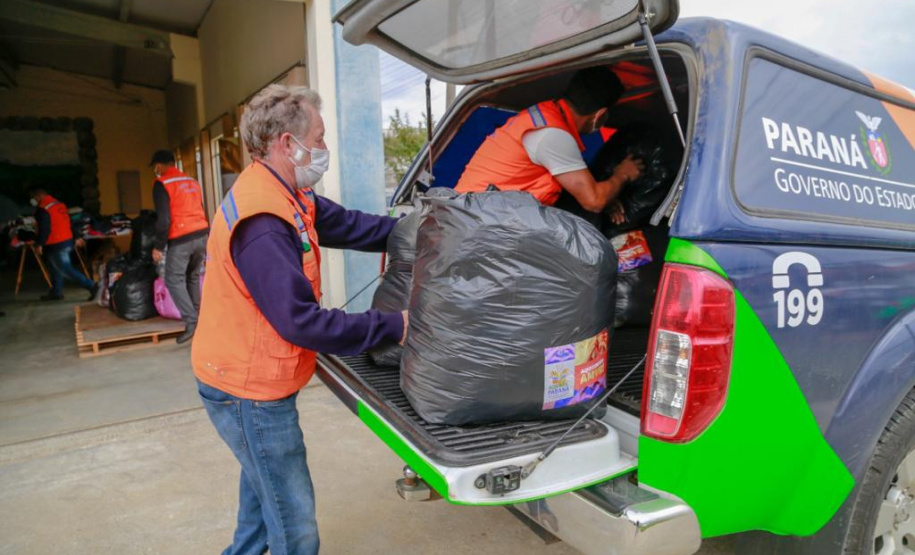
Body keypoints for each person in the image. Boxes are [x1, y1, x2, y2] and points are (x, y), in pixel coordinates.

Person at [191, 84, 406, 555]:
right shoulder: (262, 220)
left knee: (261, 501)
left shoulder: (287, 192)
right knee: (294, 525)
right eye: (321, 137)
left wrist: (418, 232)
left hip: (245, 377)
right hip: (246, 390)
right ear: (288, 144)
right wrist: (398, 325)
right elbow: (303, 324)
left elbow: (352, 225)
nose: (325, 148)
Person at [455, 67, 644, 219]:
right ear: (600, 115)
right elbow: (593, 200)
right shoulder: (552, 135)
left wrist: (608, 198)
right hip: (481, 223)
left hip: (474, 214)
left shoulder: (542, 116)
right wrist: (623, 175)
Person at [149, 149, 209, 344]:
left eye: (155, 166)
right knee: (192, 275)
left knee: (173, 278)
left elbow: (164, 219)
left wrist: (158, 246)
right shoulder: (191, 181)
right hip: (201, 234)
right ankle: (199, 320)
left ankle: (191, 322)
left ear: (161, 164)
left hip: (182, 237)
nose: (155, 170)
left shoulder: (162, 184)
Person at [27, 186, 97, 301]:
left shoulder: (43, 209)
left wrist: (39, 244)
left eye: (33, 197)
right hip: (66, 240)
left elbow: (45, 229)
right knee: (54, 267)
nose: (32, 200)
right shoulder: (59, 204)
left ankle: (92, 286)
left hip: (56, 242)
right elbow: (69, 222)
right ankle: (56, 292)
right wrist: (76, 236)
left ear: (39, 196)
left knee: (64, 269)